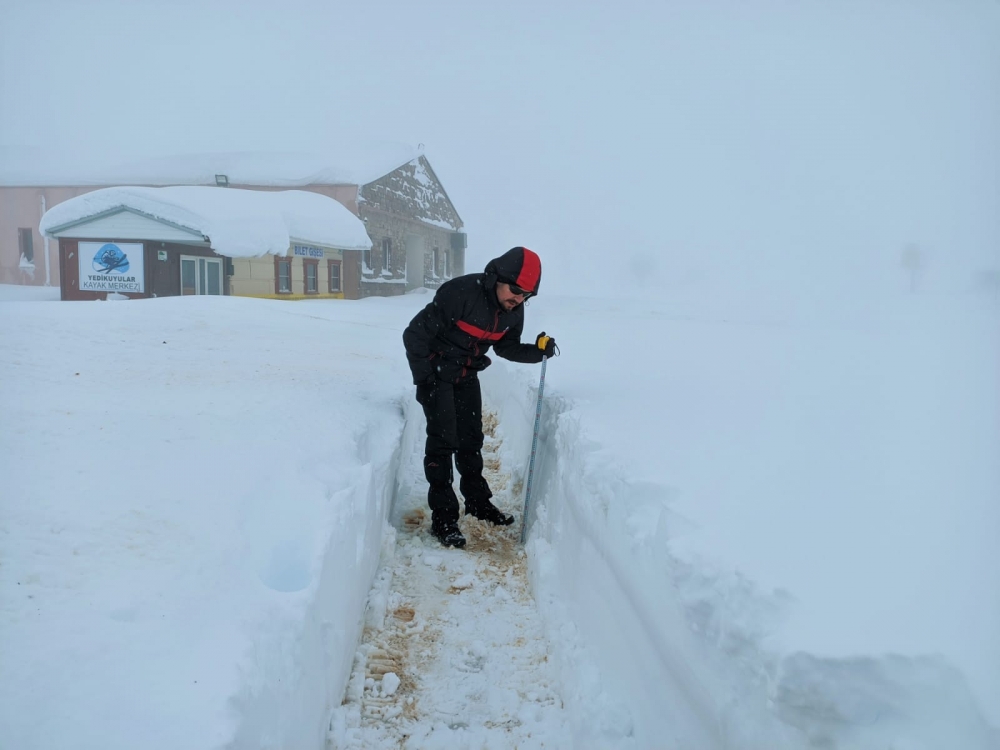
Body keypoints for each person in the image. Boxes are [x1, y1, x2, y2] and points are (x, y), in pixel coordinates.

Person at [402, 246, 558, 548]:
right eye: (515, 289)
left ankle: (478, 504)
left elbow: (506, 347)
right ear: (497, 277)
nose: (519, 298)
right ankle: (444, 518)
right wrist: (425, 380)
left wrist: (537, 352)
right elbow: (414, 335)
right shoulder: (460, 293)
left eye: (527, 295)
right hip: (437, 373)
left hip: (466, 374)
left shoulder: (513, 311)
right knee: (442, 443)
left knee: (471, 441)